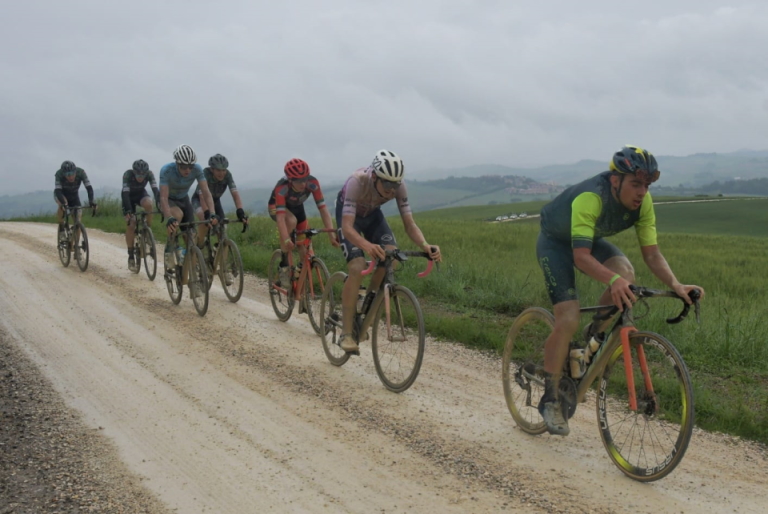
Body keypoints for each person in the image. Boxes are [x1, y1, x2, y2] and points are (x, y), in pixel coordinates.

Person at [535, 145, 705, 436]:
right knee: (568, 318)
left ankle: (595, 333)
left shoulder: (644, 203)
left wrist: (676, 285)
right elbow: (581, 257)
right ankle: (550, 398)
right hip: (556, 244)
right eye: (636, 184)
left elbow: (652, 254)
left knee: (626, 273)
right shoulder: (592, 198)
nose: (642, 192)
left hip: (588, 240)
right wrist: (612, 281)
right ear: (616, 181)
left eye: (647, 185)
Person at [335, 149, 441, 354]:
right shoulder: (357, 182)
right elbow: (347, 228)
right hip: (351, 218)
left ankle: (369, 301)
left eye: (396, 184)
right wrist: (366, 246)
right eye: (388, 184)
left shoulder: (399, 187)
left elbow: (409, 224)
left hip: (373, 216)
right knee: (357, 266)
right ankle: (346, 333)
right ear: (374, 176)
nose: (392, 190)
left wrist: (425, 245)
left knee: (391, 257)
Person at [268, 158, 339, 287]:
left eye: (305, 178)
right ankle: (284, 267)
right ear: (290, 180)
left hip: (297, 207)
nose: (303, 183)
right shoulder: (282, 188)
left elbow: (323, 209)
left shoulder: (312, 183)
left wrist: (331, 235)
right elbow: (280, 218)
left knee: (305, 249)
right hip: (277, 208)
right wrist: (285, 239)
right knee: (291, 221)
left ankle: (299, 279)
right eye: (298, 180)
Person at [158, 145, 217, 294]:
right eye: (184, 166)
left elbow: (206, 193)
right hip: (168, 201)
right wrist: (168, 217)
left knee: (192, 238)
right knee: (177, 215)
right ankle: (170, 247)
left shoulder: (197, 169)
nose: (188, 170)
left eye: (190, 166)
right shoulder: (166, 170)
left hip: (184, 200)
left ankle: (194, 280)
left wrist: (212, 213)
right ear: (177, 163)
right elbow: (163, 197)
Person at [192, 153, 247, 248]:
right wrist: (207, 212)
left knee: (223, 227)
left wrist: (240, 211)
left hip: (215, 201)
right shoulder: (205, 173)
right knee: (204, 220)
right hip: (199, 200)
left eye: (224, 170)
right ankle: (199, 244)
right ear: (212, 169)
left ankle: (220, 253)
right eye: (218, 170)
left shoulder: (228, 175)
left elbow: (235, 194)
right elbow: (202, 196)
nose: (221, 173)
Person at [122, 159, 160, 270]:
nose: (140, 176)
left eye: (143, 174)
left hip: (140, 194)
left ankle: (147, 230)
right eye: (138, 174)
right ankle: (130, 256)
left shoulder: (150, 174)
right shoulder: (127, 175)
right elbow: (125, 193)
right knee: (131, 224)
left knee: (149, 204)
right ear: (134, 171)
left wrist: (159, 204)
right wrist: (129, 210)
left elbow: (155, 190)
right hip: (128, 197)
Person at [54, 160, 97, 238]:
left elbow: (89, 188)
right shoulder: (59, 174)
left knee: (78, 220)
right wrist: (63, 203)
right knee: (63, 205)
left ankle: (74, 244)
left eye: (72, 173)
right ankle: (61, 225)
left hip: (74, 195)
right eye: (67, 174)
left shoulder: (81, 172)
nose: (71, 176)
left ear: (75, 171)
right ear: (63, 174)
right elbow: (58, 191)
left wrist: (91, 201)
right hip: (61, 194)